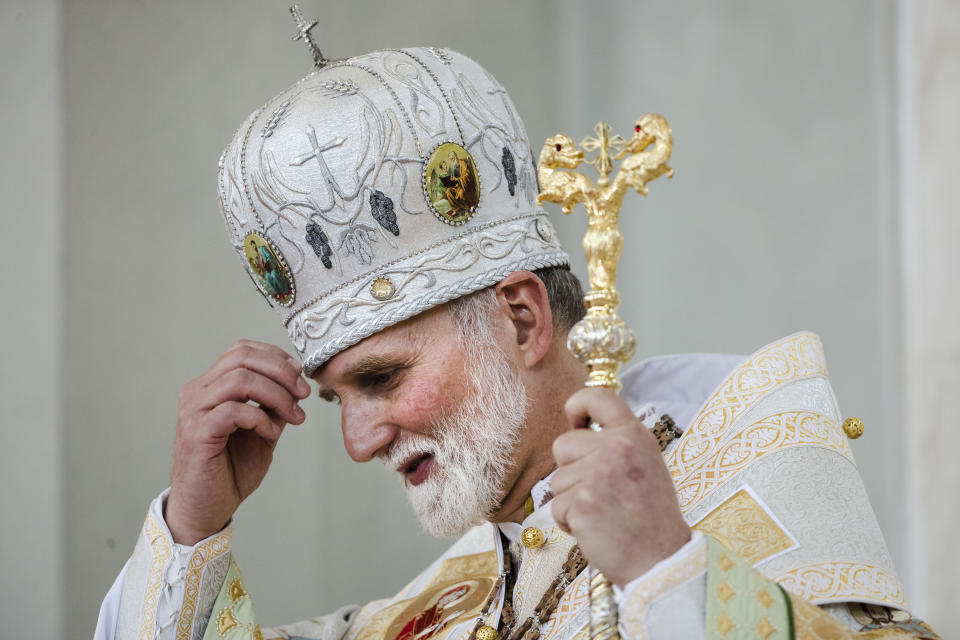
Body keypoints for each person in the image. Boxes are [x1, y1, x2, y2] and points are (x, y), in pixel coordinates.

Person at [95, 43, 939, 640]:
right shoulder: (441, 605)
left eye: (383, 379)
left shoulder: (746, 471)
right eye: (335, 399)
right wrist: (194, 524)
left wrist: (666, 573)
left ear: (525, 317)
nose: (358, 441)